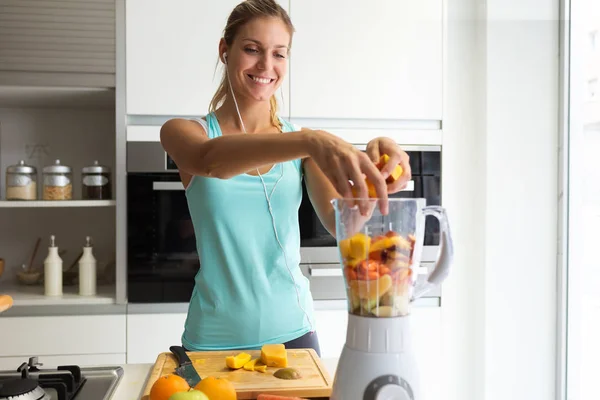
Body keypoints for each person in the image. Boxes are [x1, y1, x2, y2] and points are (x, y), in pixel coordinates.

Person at [160, 0, 412, 355]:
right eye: (252, 49)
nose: (266, 65)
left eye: (279, 54)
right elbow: (210, 161)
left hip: (295, 337)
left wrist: (380, 162)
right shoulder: (185, 132)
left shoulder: (301, 144)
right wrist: (308, 140)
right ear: (224, 50)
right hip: (212, 340)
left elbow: (347, 223)